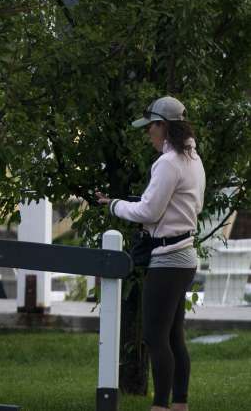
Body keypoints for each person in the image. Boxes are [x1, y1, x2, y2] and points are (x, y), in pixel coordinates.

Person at [97, 96, 205, 411]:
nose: (148, 134)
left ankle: (160, 406)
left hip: (168, 259)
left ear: (165, 126)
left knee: (155, 338)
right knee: (174, 337)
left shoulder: (169, 163)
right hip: (184, 257)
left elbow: (150, 210)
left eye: (151, 127)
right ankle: (179, 404)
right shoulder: (192, 159)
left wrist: (114, 205)